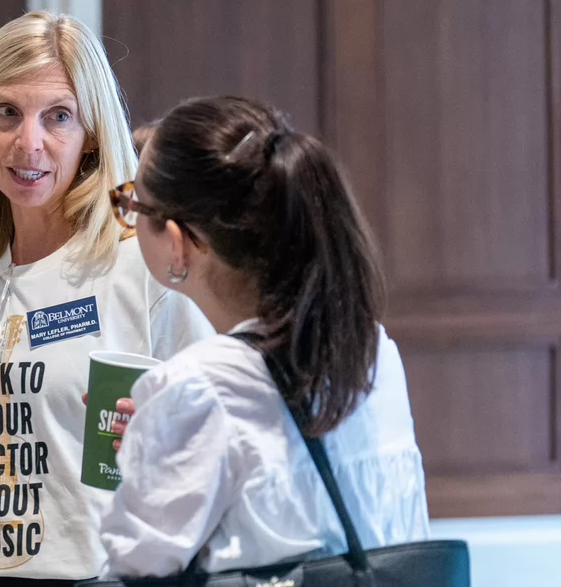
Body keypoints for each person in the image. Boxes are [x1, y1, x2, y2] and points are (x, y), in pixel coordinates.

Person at [0, 11, 214, 585]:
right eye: (7, 112)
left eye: (58, 117)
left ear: (92, 134)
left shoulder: (143, 270)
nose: (29, 143)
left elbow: (216, 463)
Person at [99, 96, 429, 577]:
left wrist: (158, 446)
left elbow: (137, 571)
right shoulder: (374, 352)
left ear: (177, 241)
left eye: (132, 203)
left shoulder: (196, 389)